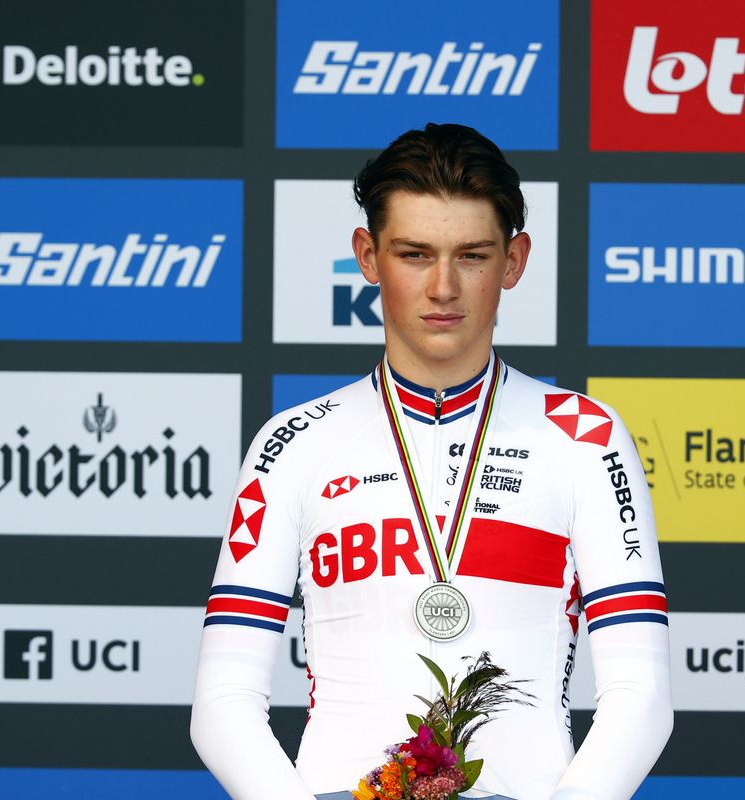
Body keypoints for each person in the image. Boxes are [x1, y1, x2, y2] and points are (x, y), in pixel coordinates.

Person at [191, 123, 672, 800]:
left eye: (471, 256)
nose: (443, 287)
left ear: (514, 260)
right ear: (368, 255)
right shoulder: (292, 442)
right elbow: (223, 700)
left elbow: (641, 693)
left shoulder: (585, 435)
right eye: (414, 254)